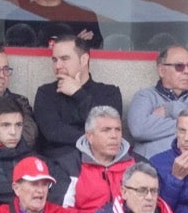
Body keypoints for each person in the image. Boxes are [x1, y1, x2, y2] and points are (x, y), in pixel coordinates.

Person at [33, 36, 122, 183]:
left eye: (64, 58)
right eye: (54, 60)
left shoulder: (109, 92)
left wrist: (79, 94)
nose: (58, 65)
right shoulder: (46, 93)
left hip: (101, 166)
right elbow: (53, 133)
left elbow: (107, 127)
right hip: (58, 169)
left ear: (84, 59)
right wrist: (95, 137)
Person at [126, 45, 188, 160]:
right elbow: (139, 129)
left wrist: (171, 109)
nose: (187, 72)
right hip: (152, 170)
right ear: (162, 70)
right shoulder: (145, 96)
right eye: (179, 66)